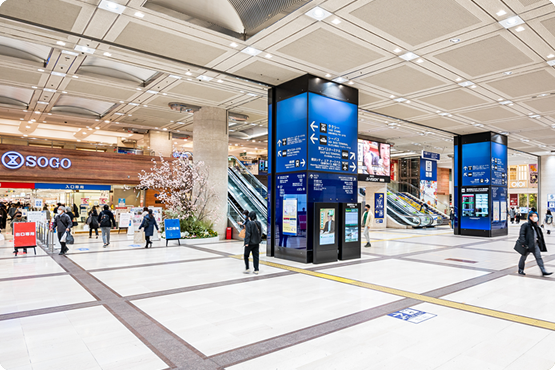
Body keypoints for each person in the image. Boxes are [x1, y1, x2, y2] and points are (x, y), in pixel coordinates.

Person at [517, 211, 552, 276]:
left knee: (539, 258)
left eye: (536, 216)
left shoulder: (536, 226)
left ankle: (543, 270)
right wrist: (523, 243)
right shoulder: (525, 225)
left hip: (535, 245)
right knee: (523, 258)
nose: (536, 218)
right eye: (534, 216)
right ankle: (520, 269)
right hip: (527, 245)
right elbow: (522, 234)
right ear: (530, 217)